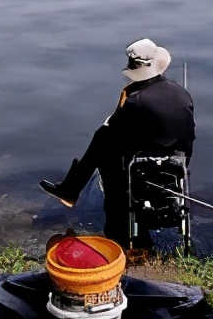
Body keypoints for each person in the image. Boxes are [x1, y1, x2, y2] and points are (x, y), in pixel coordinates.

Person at [40, 38, 195, 248]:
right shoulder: (182, 94)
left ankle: (89, 205)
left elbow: (114, 135)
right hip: (178, 168)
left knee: (103, 139)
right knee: (106, 138)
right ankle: (71, 189)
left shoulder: (136, 101)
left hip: (144, 172)